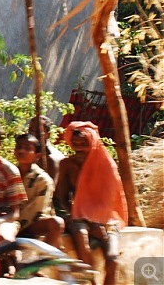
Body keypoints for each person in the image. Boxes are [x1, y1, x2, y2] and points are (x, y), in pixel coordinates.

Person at [54, 121, 126, 285]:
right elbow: (62, 197)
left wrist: (97, 222)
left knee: (113, 260)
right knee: (82, 242)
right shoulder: (67, 164)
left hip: (106, 218)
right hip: (79, 215)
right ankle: (91, 282)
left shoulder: (106, 165)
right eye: (76, 144)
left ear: (93, 142)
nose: (80, 148)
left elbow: (109, 201)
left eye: (84, 144)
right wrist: (74, 214)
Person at [13, 133, 63, 248]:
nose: (21, 151)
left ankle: (43, 258)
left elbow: (35, 210)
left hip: (32, 222)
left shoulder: (43, 180)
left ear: (37, 155)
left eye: (27, 148)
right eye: (19, 147)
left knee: (56, 223)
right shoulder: (8, 173)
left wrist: (15, 224)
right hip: (11, 218)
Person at [28, 115, 65, 184]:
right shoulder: (28, 153)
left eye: (37, 131)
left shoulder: (54, 158)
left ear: (48, 134)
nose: (33, 134)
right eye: (31, 130)